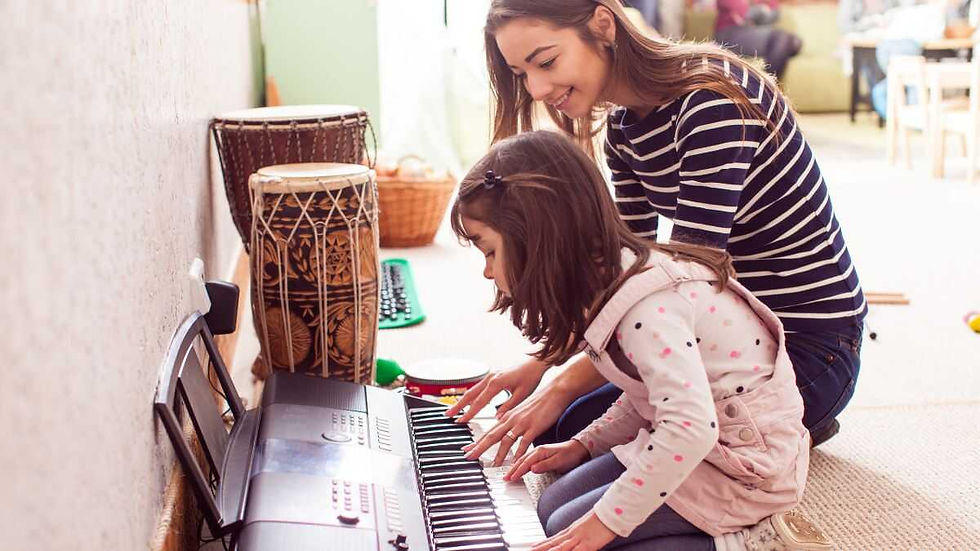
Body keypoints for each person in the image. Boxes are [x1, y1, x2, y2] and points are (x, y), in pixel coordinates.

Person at [446, 0, 866, 465]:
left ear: (602, 25)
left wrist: (563, 384)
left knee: (619, 443)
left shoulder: (712, 103)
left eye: (545, 62)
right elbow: (625, 277)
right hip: (719, 341)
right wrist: (543, 362)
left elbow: (686, 281)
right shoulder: (624, 132)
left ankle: (800, 421)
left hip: (810, 348)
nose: (538, 89)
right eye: (521, 74)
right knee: (562, 430)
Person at [449, 130, 827, 550]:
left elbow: (689, 428)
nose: (487, 271)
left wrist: (606, 523)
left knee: (582, 535)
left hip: (743, 469)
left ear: (538, 239)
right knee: (552, 510)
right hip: (699, 444)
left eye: (489, 252)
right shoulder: (608, 285)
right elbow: (645, 391)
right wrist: (585, 444)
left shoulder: (648, 308)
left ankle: (758, 541)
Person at [714, 0, 802, 80]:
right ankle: (769, 85)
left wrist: (759, 11)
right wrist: (761, 10)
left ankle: (766, 85)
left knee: (795, 43)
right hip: (730, 33)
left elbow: (774, 13)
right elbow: (746, 13)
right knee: (783, 41)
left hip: (756, 32)